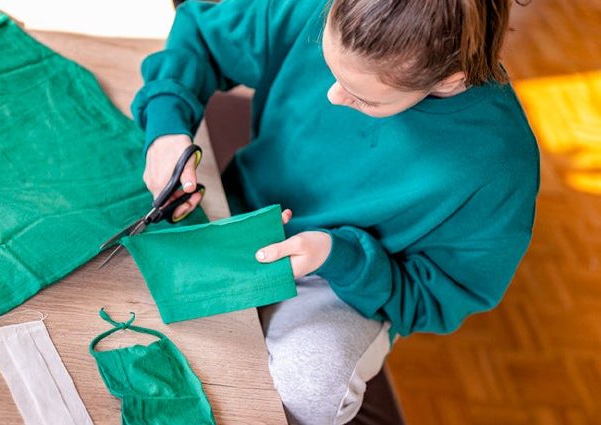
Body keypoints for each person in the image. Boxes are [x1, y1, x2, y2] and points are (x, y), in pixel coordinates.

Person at [133, 0, 538, 423]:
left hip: (347, 283)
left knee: (311, 387)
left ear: (450, 78)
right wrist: (167, 125)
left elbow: (437, 298)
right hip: (242, 211)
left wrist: (340, 256)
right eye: (330, 67)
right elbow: (203, 34)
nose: (332, 95)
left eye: (363, 98)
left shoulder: (497, 167)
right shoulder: (319, 7)